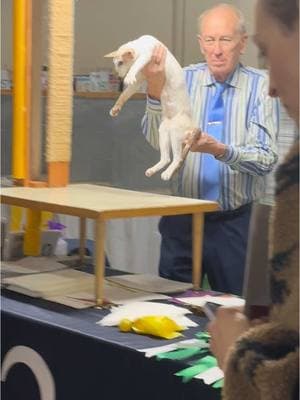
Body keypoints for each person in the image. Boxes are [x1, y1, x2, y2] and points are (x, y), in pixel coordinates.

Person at [141, 3, 279, 295]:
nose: (217, 50)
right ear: (200, 44)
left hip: (235, 223)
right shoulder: (182, 79)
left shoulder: (261, 87)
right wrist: (154, 91)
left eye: (226, 40)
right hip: (181, 220)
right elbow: (157, 139)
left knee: (235, 311)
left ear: (242, 43)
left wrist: (219, 150)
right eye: (210, 40)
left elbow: (266, 158)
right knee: (172, 305)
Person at [208, 0, 299, 398]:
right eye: (208, 39)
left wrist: (240, 357)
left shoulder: (254, 93)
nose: (272, 84)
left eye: (267, 50)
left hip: (234, 218)